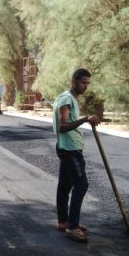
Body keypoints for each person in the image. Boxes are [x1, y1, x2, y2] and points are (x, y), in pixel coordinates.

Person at [53, 68, 101, 243]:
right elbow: (62, 126)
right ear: (74, 81)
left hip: (69, 148)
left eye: (88, 83)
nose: (86, 86)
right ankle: (72, 227)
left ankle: (63, 222)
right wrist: (85, 119)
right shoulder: (66, 99)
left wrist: (83, 119)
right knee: (81, 185)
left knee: (65, 186)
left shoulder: (68, 98)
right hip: (70, 149)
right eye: (83, 82)